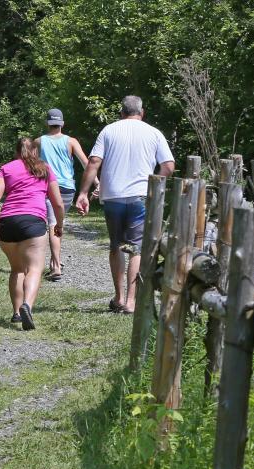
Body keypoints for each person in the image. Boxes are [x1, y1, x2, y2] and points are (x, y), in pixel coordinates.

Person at [75, 95, 175, 314]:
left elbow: (93, 162)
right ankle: (131, 301)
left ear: (121, 112)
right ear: (142, 112)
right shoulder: (154, 133)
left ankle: (119, 297)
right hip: (140, 196)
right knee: (137, 247)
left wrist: (83, 192)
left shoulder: (109, 131)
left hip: (113, 197)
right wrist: (154, 188)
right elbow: (168, 166)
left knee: (116, 245)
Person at [0, 137, 65, 331]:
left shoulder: (6, 169)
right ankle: (27, 306)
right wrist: (59, 224)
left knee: (16, 269)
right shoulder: (45, 169)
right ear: (35, 151)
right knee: (33, 269)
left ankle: (17, 312)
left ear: (17, 152)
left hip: (7, 222)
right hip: (33, 221)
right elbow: (57, 202)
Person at [35, 108, 95, 280]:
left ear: (47, 123)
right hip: (68, 190)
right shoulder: (71, 141)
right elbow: (86, 163)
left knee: (53, 225)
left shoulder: (38, 142)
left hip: (48, 188)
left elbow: (27, 164)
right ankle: (56, 262)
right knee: (57, 224)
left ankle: (55, 267)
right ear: (62, 123)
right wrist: (97, 183)